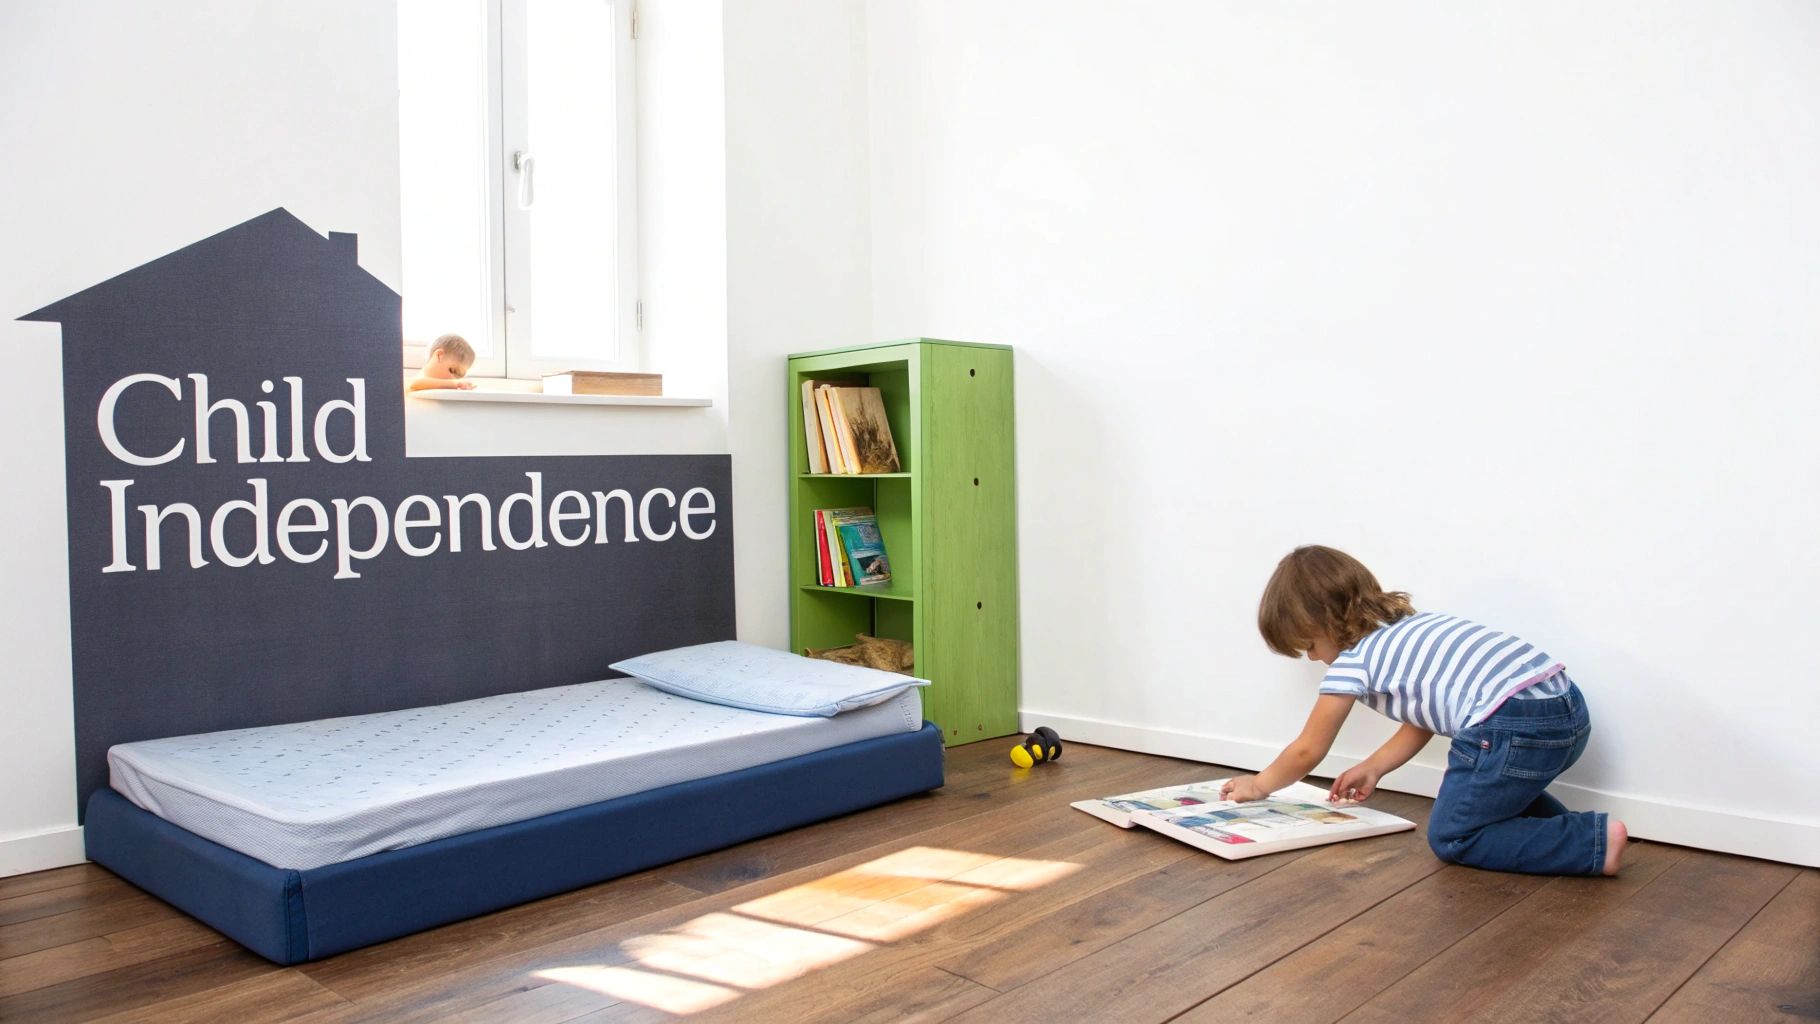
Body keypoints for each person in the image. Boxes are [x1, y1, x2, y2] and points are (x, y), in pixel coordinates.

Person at [1221, 545, 1626, 876]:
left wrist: (1258, 785)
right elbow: (1424, 719)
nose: (1311, 658)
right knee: (1498, 791)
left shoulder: (1352, 662)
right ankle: (1583, 835)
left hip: (1510, 724)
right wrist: (1376, 766)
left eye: (1309, 645)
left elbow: (1308, 750)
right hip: (1564, 708)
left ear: (1326, 621)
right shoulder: (1406, 627)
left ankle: (1590, 842)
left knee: (1453, 836)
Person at [409, 334, 477, 391]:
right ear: (439, 356)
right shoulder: (418, 380)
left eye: (459, 377)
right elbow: (413, 384)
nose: (453, 379)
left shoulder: (442, 387)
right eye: (452, 370)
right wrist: (456, 384)